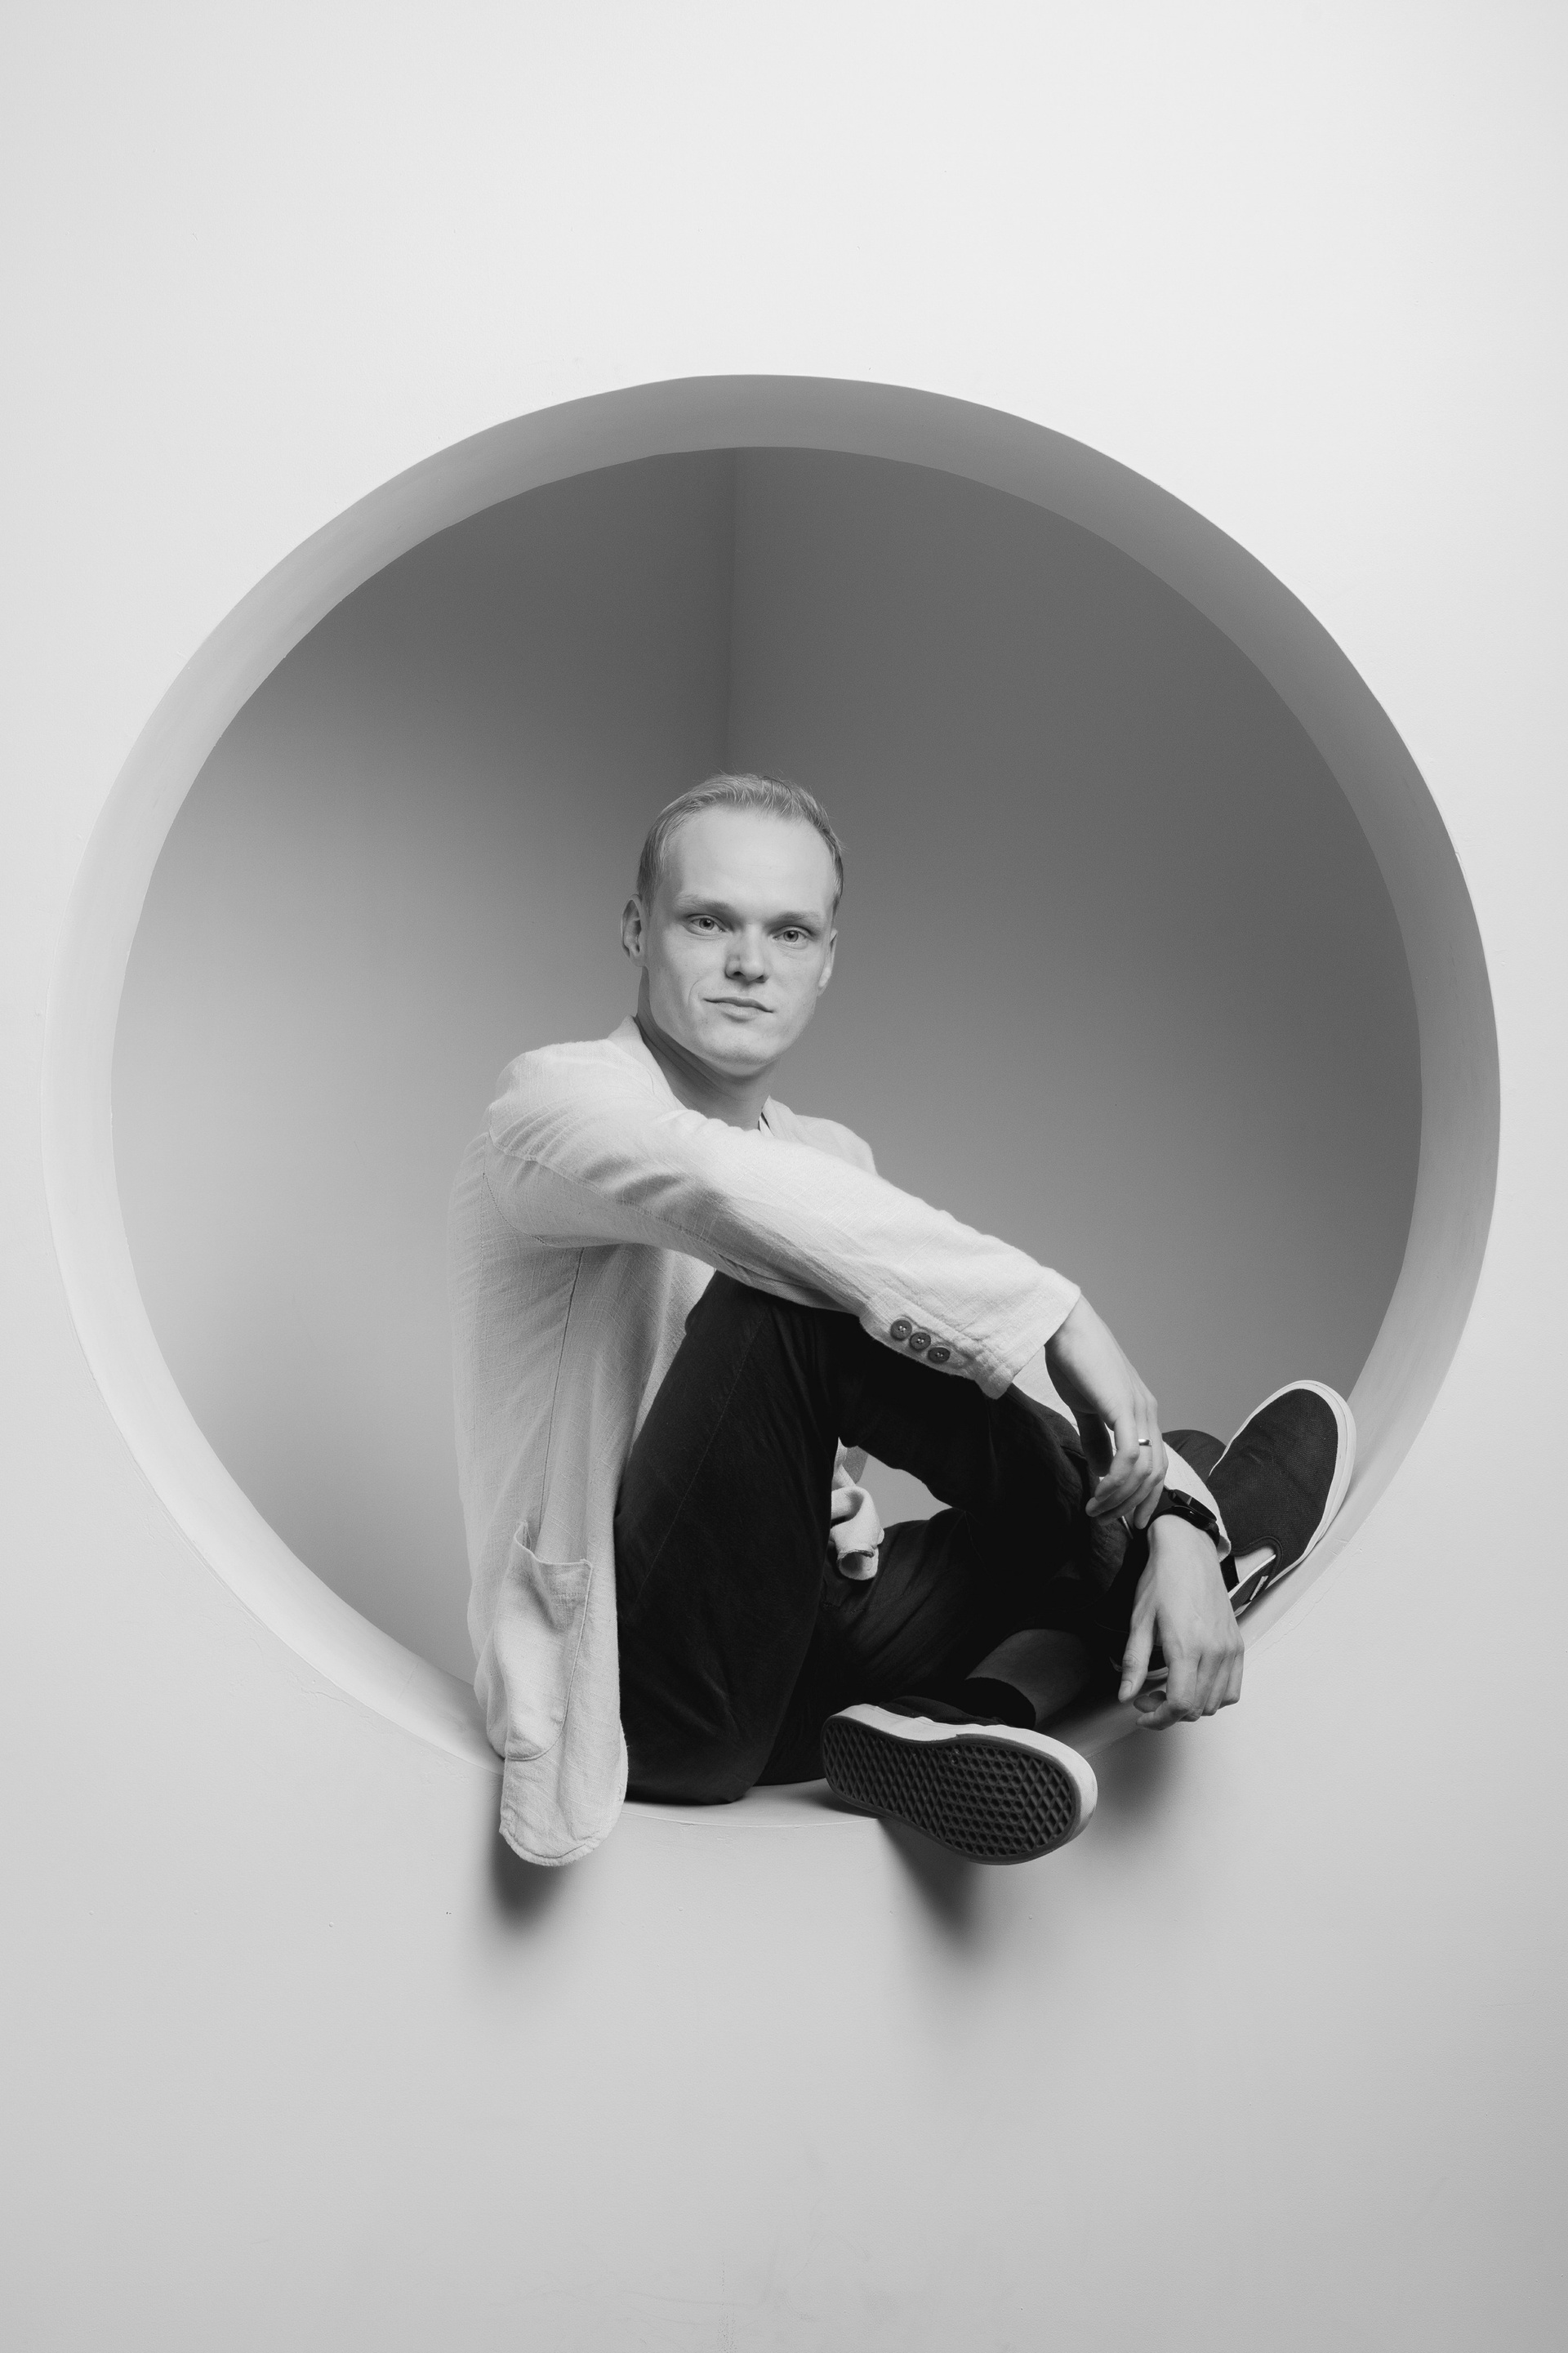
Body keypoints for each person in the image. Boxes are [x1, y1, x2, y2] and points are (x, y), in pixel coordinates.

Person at [448, 773, 1354, 1869]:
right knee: (797, 1303)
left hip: (802, 1662)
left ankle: (959, 1713)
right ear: (640, 929)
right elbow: (721, 1186)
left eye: (790, 932)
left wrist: (1160, 1500)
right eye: (709, 921)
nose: (751, 963)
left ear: (827, 958)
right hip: (638, 1693)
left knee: (1145, 1466)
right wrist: (1065, 1317)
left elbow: (953, 1387)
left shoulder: (832, 1160)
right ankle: (1198, 1549)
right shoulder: (550, 1105)